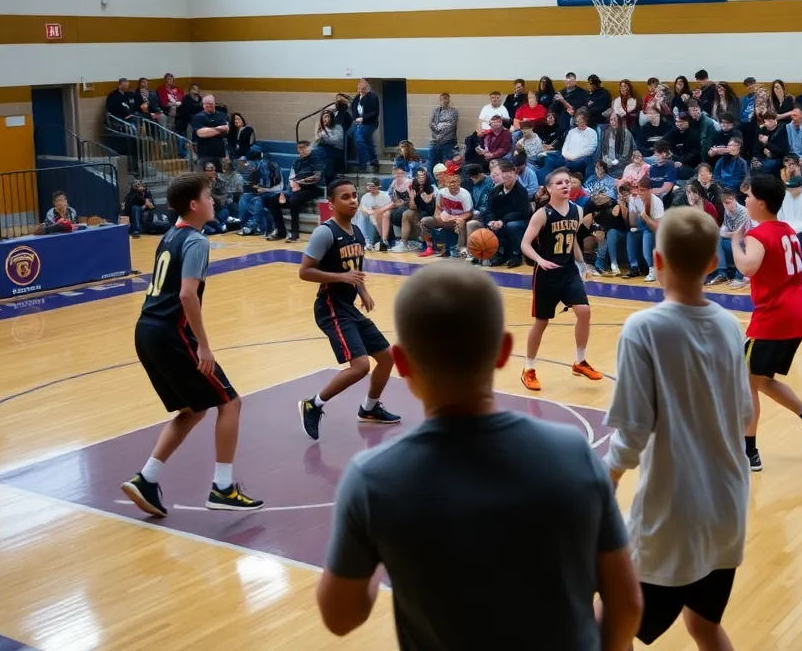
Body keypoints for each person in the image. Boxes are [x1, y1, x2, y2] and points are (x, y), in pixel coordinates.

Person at [317, 262, 643, 648]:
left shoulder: (372, 480)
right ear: (503, 351)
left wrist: (374, 542)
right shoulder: (574, 453)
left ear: (401, 364)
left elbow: (339, 617)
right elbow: (626, 605)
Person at [605, 207, 751, 650]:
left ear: (657, 259)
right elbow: (745, 412)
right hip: (728, 508)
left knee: (606, 629)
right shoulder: (730, 324)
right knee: (703, 626)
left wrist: (605, 481)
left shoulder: (643, 328)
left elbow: (632, 431)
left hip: (673, 517)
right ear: (713, 262)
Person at [120, 174, 262, 517]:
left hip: (146, 330)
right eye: (209, 197)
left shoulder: (171, 235)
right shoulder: (197, 241)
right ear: (195, 204)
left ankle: (147, 479)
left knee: (193, 409)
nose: (214, 201)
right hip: (171, 332)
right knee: (230, 402)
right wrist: (204, 347)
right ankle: (223, 488)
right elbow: (186, 295)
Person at [728, 174, 802, 471]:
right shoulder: (787, 229)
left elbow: (748, 268)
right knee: (760, 380)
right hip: (796, 314)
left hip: (773, 317)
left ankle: (749, 452)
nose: (745, 200)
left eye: (749, 196)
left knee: (746, 382)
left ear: (761, 203)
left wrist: (736, 243)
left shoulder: (757, 234)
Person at [298, 179, 400, 440]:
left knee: (387, 357)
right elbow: (305, 272)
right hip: (330, 308)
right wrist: (341, 278)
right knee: (360, 366)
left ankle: (369, 408)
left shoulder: (356, 231)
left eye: (354, 195)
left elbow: (355, 268)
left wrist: (362, 291)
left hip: (348, 307)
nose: (353, 200)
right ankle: (313, 404)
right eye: (345, 197)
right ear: (331, 203)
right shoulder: (325, 233)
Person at [518, 168, 603, 392]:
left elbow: (572, 240)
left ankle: (580, 361)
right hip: (546, 274)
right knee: (541, 323)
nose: (565, 185)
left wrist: (583, 264)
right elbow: (525, 244)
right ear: (549, 188)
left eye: (567, 182)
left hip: (568, 271)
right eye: (559, 183)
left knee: (584, 311)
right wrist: (539, 260)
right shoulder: (542, 214)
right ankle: (528, 368)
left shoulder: (577, 210)